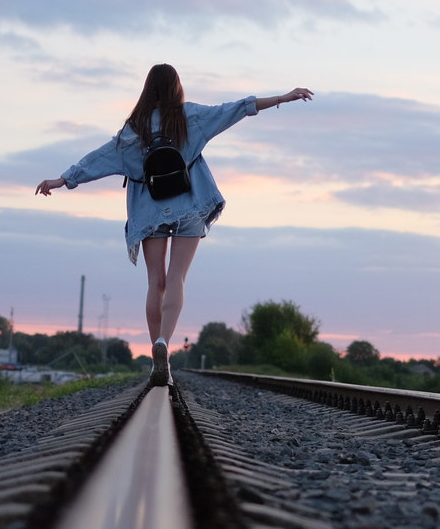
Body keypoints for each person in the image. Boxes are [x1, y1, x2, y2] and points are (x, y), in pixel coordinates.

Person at [36, 64, 313, 386]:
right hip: (190, 206)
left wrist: (63, 180)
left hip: (149, 212)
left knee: (157, 281)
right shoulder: (190, 116)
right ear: (176, 87)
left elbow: (97, 159)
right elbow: (238, 108)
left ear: (147, 89)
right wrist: (284, 97)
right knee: (178, 278)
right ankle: (164, 342)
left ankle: (159, 359)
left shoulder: (133, 130)